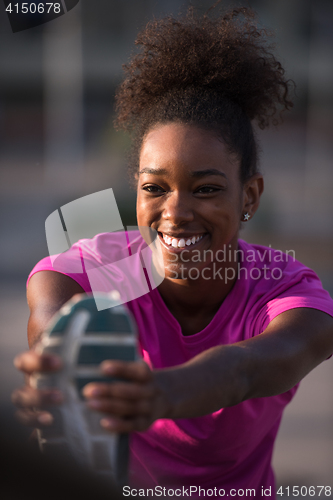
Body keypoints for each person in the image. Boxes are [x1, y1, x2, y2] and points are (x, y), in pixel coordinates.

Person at [12, 5, 333, 498]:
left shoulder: (285, 290)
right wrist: (59, 362)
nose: (176, 212)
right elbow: (53, 302)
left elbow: (251, 366)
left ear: (249, 196)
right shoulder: (102, 268)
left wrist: (159, 395)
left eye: (205, 189)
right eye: (154, 187)